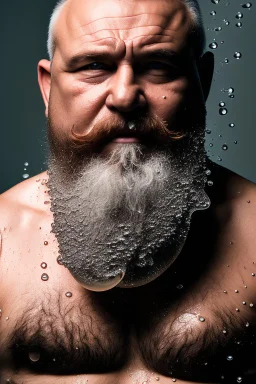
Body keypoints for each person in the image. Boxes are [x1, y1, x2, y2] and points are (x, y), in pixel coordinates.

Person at [0, 0, 256, 383]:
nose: (124, 96)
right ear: (49, 88)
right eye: (94, 66)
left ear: (202, 81)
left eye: (158, 66)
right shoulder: (4, 237)